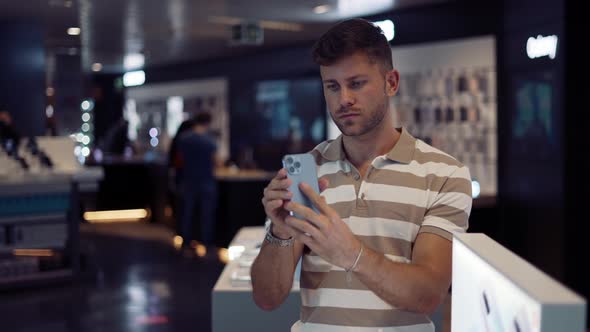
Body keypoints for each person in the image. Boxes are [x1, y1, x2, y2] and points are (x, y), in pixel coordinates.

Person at [251, 18, 472, 331]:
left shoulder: (444, 174)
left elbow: (428, 294)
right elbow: (267, 298)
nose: (344, 100)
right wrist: (279, 231)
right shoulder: (308, 168)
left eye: (356, 83)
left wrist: (352, 254)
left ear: (391, 82)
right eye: (332, 86)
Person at [177, 112, 220, 255]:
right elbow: (216, 161)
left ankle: (185, 243)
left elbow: (180, 160)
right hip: (206, 180)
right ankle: (206, 244)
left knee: (187, 213)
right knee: (206, 215)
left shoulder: (184, 138)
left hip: (188, 180)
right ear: (208, 123)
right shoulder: (209, 140)